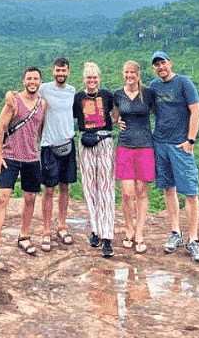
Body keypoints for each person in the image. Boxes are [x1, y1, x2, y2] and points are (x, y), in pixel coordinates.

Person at [0, 66, 47, 261]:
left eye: (35, 79)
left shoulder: (43, 104)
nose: (32, 82)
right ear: (23, 81)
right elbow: (0, 128)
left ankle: (24, 236)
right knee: (2, 197)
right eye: (29, 79)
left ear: (40, 82)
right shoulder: (13, 102)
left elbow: (39, 130)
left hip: (31, 158)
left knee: (30, 198)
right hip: (10, 157)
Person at [148, 50, 199, 263]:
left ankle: (194, 240)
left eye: (163, 63)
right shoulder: (153, 86)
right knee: (168, 189)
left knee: (190, 191)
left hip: (181, 145)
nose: (160, 67)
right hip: (160, 142)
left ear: (170, 63)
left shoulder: (184, 83)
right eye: (156, 64)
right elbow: (148, 109)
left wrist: (190, 141)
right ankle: (175, 233)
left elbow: (196, 111)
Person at [73, 61, 117, 258]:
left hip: (105, 140)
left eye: (95, 77)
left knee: (106, 186)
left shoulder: (107, 95)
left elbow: (116, 114)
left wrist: (120, 122)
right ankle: (95, 229)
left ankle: (107, 236)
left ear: (99, 79)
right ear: (84, 79)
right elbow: (73, 118)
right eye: (89, 78)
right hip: (86, 143)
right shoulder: (78, 98)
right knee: (89, 187)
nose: (92, 81)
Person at [113, 60, 156, 255]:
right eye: (126, 72)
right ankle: (128, 229)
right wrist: (117, 122)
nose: (129, 76)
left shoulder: (148, 94)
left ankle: (139, 233)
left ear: (138, 75)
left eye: (133, 73)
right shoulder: (118, 94)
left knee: (141, 192)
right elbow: (114, 116)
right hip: (124, 146)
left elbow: (160, 114)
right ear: (123, 74)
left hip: (145, 146)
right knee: (127, 192)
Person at [38, 57, 77, 252]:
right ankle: (46, 230)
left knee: (65, 188)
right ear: (52, 71)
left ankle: (62, 225)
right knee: (49, 190)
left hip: (68, 143)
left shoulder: (72, 91)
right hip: (49, 145)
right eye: (58, 71)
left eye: (64, 71)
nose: (61, 74)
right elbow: (26, 96)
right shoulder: (43, 89)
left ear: (68, 72)